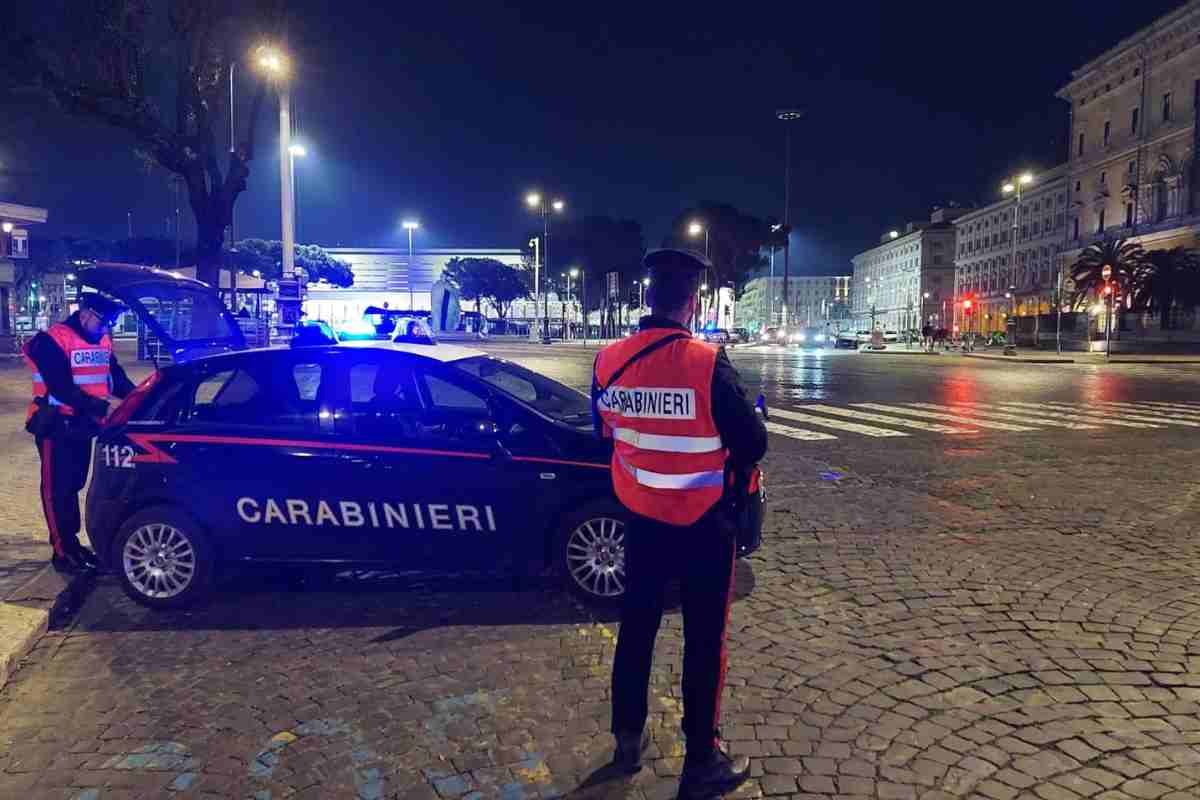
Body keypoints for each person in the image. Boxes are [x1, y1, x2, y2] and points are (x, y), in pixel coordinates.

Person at [592, 249, 768, 799]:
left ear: (647, 299)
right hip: (703, 526)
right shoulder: (705, 361)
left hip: (639, 520)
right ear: (691, 303)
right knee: (703, 640)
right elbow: (752, 444)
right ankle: (700, 760)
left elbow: (607, 433)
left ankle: (626, 741)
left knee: (637, 630)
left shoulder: (607, 360)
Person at [23, 293, 135, 573]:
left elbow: (116, 379)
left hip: (83, 425)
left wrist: (140, 398)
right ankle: (62, 551)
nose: (106, 328)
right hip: (55, 425)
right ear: (85, 314)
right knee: (56, 489)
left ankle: (72, 544)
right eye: (104, 321)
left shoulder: (101, 340)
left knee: (73, 485)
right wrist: (102, 408)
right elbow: (61, 388)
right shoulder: (51, 340)